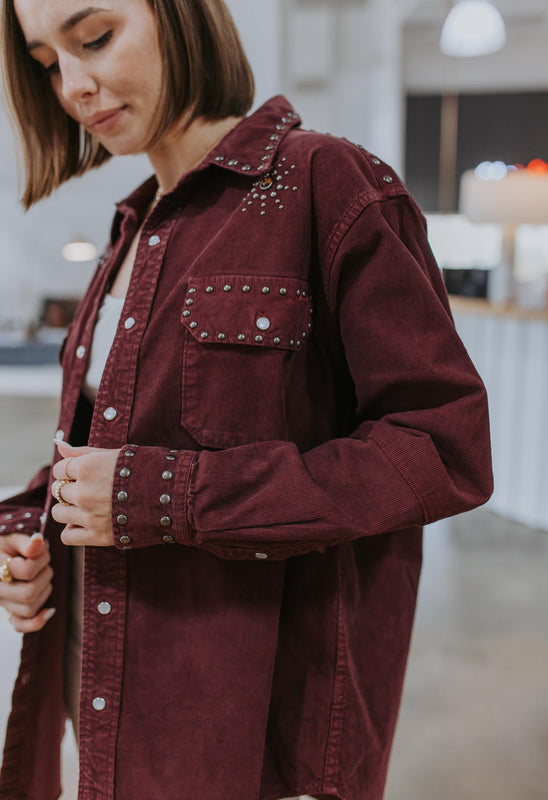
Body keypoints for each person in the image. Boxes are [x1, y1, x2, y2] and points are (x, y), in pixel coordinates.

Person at [0, 1, 493, 799]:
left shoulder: (329, 185)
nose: (76, 85)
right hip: (105, 691)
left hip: (252, 729)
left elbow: (442, 448)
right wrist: (30, 532)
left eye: (94, 38)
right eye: (49, 62)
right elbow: (110, 443)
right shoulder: (131, 228)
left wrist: (162, 496)